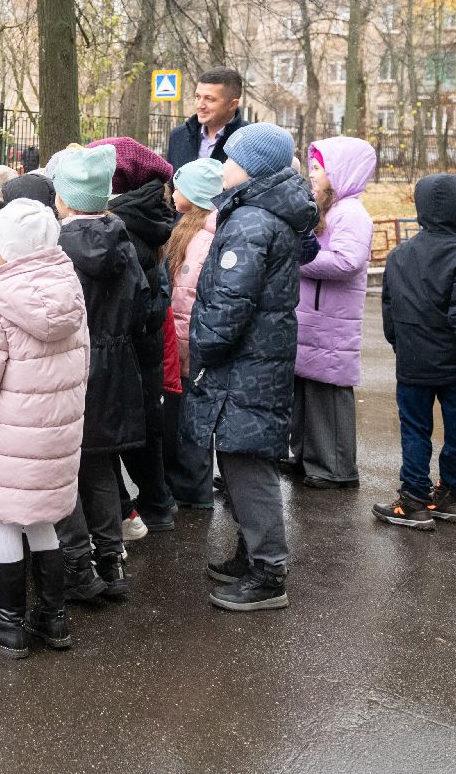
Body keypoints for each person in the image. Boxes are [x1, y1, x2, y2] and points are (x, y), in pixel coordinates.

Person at [0, 199, 89, 658]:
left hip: (7, 442)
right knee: (43, 518)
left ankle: (9, 623)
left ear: (3, 249)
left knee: (6, 521)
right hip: (57, 437)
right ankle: (53, 617)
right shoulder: (71, 293)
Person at [186, 122, 316, 612]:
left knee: (247, 463)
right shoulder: (257, 213)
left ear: (254, 168)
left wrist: (204, 345)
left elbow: (230, 302)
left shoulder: (250, 222)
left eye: (231, 159)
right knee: (240, 457)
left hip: (245, 363)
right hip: (256, 359)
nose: (222, 167)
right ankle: (252, 552)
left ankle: (268, 572)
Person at [51, 145, 150, 603]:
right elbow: (144, 307)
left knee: (65, 467)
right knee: (101, 464)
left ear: (64, 200)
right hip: (117, 364)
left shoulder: (56, 248)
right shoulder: (123, 241)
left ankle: (76, 562)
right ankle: (112, 563)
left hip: (73, 366)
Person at [374, 175, 456, 529]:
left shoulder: (399, 254)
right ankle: (452, 496)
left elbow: (389, 308)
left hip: (413, 360)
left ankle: (413, 500)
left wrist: (400, 345)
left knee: (414, 428)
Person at [92, 136, 178, 538]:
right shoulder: (147, 216)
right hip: (142, 340)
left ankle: (142, 508)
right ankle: (157, 502)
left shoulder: (121, 226)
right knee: (143, 424)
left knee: (122, 428)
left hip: (125, 342)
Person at [290, 137, 377, 490]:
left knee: (328, 392)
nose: (312, 175)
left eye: (318, 168)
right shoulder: (329, 209)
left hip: (331, 318)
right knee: (307, 389)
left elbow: (346, 261)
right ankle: (308, 458)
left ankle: (335, 467)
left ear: (341, 172)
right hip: (314, 316)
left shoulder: (351, 213)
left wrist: (295, 259)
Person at [162, 158, 224, 509]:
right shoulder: (189, 229)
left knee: (190, 422)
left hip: (190, 343)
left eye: (180, 187)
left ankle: (192, 490)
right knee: (182, 417)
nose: (173, 193)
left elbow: (189, 294)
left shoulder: (203, 237)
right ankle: (186, 485)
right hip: (183, 340)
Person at [165, 66, 249, 172]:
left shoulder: (249, 140)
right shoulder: (178, 136)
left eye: (209, 99)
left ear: (232, 105)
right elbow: (169, 182)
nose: (200, 105)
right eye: (197, 97)